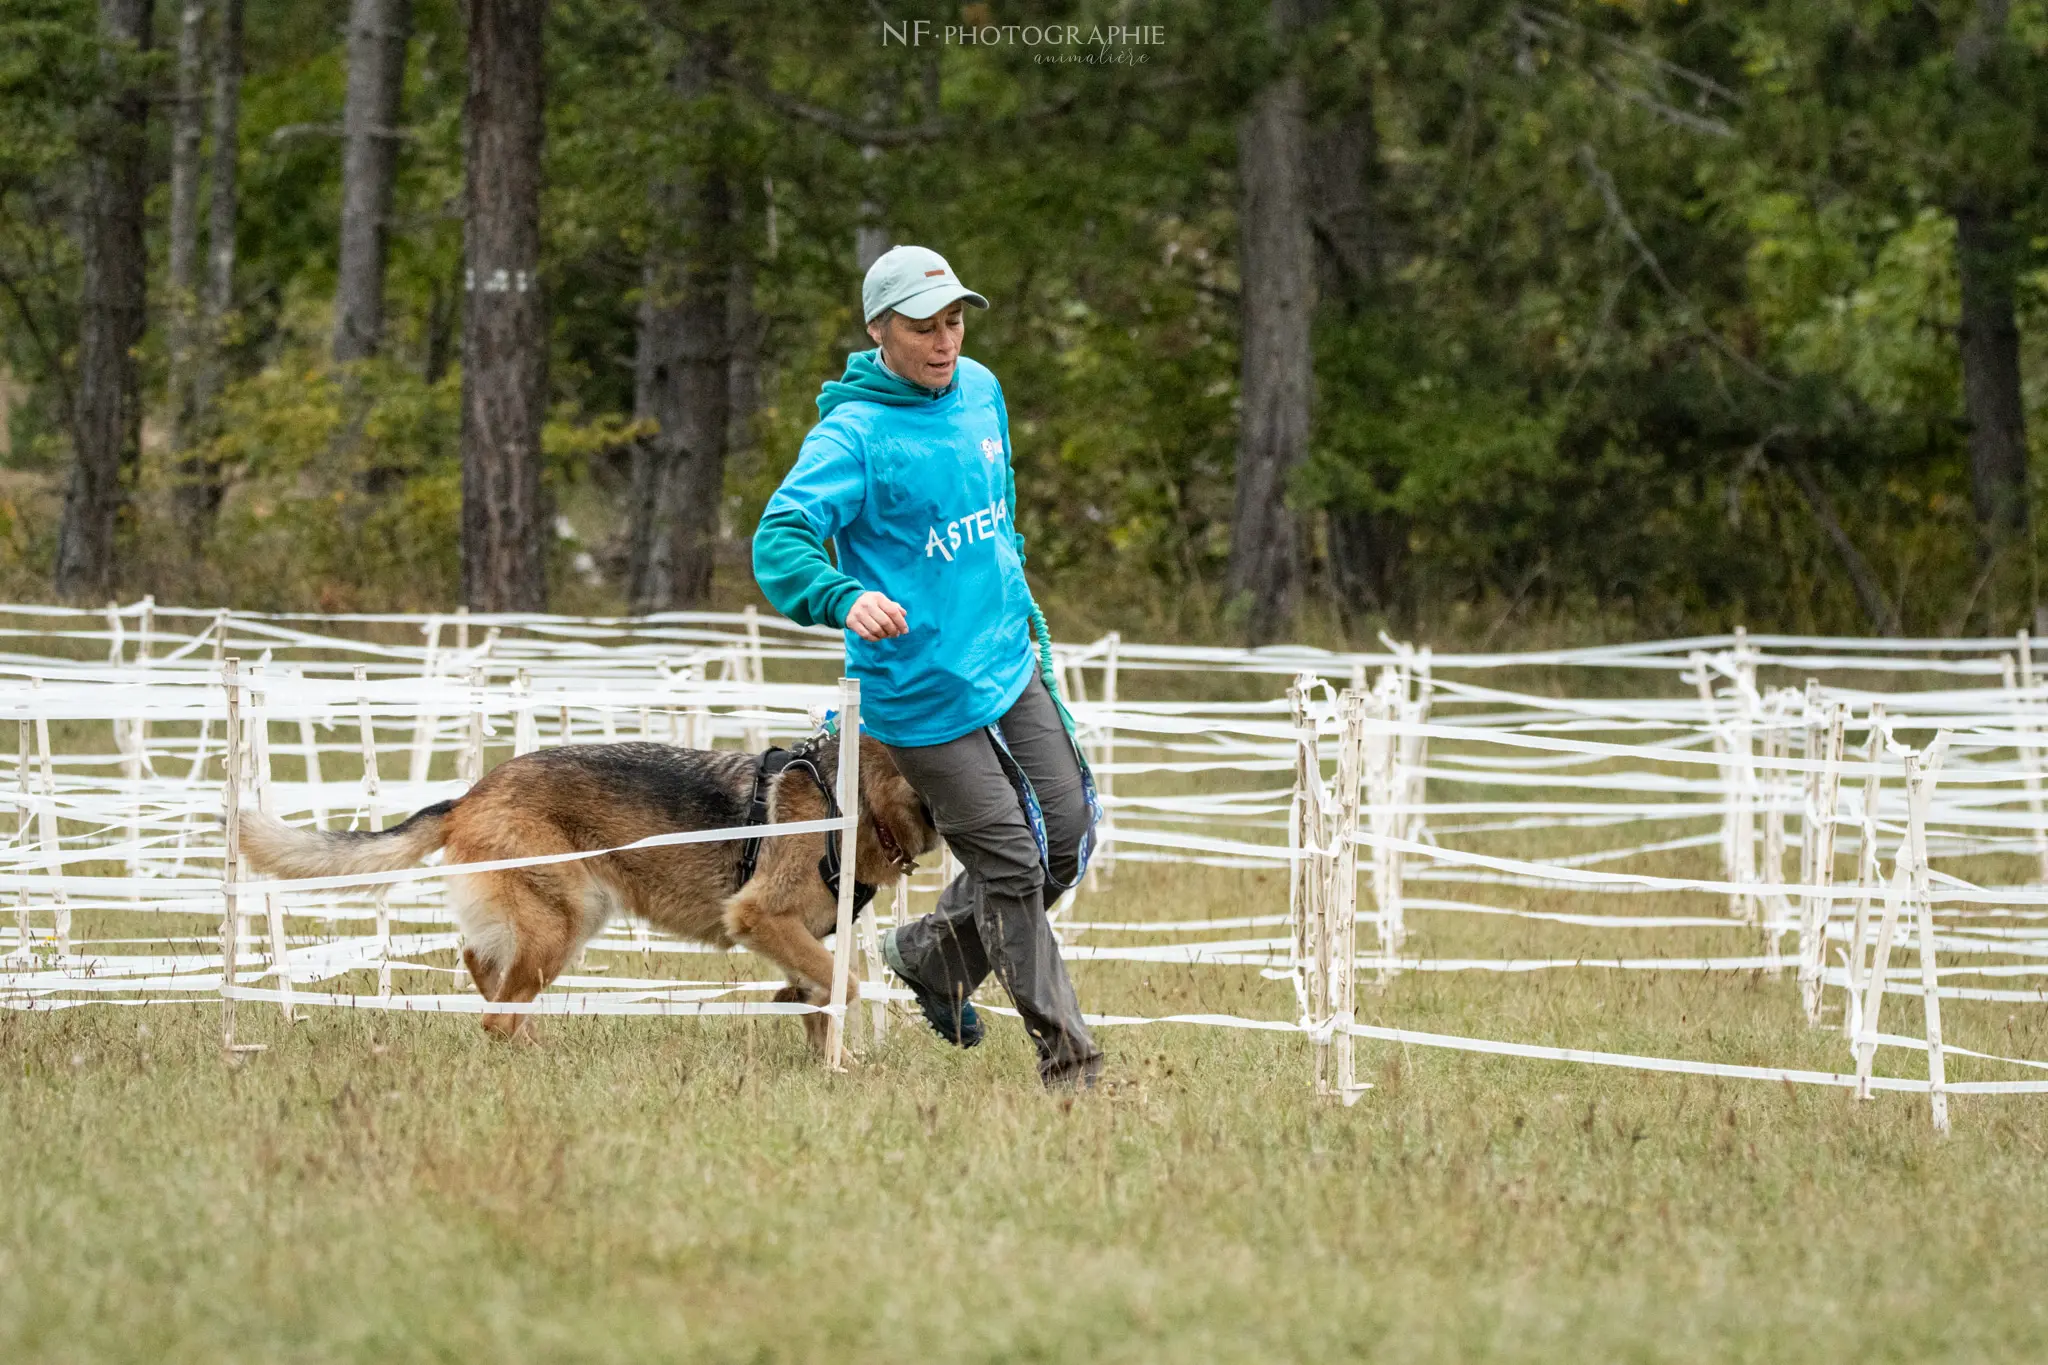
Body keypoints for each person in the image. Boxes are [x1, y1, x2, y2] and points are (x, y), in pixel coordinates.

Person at [751, 244, 1103, 1089]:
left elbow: (996, 504)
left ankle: (932, 955)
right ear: (880, 331)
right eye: (923, 328)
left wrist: (1008, 582)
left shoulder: (982, 391)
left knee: (1067, 835)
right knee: (1013, 863)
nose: (945, 342)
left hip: (1006, 658)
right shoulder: (853, 435)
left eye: (953, 322)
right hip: (919, 694)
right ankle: (1072, 1062)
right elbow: (780, 536)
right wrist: (841, 596)